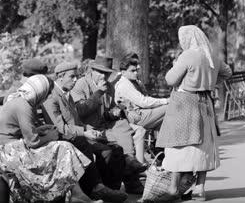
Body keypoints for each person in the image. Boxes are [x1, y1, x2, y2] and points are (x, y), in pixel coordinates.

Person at [156, 25, 232, 200]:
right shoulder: (212, 55)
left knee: (178, 146)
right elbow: (227, 73)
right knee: (202, 147)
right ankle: (200, 189)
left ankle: (173, 189)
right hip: (205, 103)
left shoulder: (188, 55)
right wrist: (210, 83)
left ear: (188, 38)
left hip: (185, 103)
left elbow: (170, 79)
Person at [0, 74, 99, 203]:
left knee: (62, 148)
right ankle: (76, 194)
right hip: (10, 152)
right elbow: (33, 142)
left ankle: (76, 194)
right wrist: (49, 136)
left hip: (13, 147)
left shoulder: (20, 100)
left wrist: (40, 130)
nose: (46, 98)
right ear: (40, 92)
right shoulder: (24, 106)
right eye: (46, 94)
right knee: (64, 148)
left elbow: (20, 131)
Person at [42, 62, 128, 202]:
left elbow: (76, 121)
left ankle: (106, 189)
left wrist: (89, 129)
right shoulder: (51, 97)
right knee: (91, 146)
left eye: (76, 76)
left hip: (76, 137)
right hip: (62, 140)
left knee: (113, 149)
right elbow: (60, 128)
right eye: (72, 77)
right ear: (60, 76)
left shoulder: (66, 94)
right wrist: (84, 132)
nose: (75, 80)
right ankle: (97, 189)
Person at [71, 56, 146, 194]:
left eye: (106, 73)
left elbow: (107, 112)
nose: (103, 76)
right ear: (92, 70)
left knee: (123, 123)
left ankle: (129, 162)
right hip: (86, 129)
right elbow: (80, 112)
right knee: (116, 148)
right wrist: (98, 92)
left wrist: (116, 111)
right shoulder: (81, 84)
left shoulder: (109, 86)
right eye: (100, 72)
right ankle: (130, 179)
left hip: (104, 127)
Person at [114, 54, 169, 130]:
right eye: (132, 71)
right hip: (136, 117)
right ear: (123, 72)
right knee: (171, 107)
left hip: (140, 114)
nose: (136, 73)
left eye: (136, 70)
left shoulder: (132, 81)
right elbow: (143, 102)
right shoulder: (124, 84)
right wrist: (166, 101)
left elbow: (145, 98)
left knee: (166, 121)